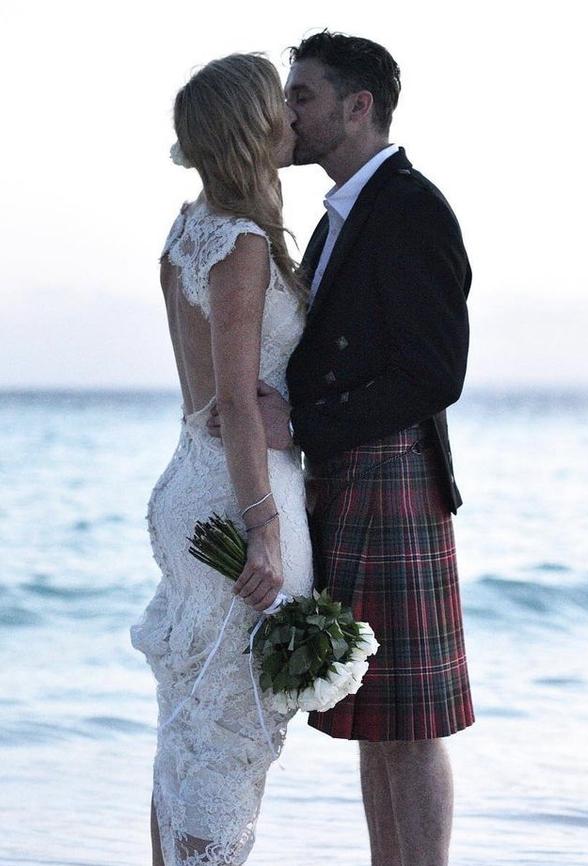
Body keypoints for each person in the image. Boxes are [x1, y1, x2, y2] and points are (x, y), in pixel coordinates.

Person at [210, 31, 475, 866]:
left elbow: (435, 372)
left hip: (393, 474)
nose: (287, 113)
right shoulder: (338, 219)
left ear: (358, 108)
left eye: (303, 97)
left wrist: (301, 428)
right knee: (374, 714)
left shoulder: (410, 208)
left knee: (412, 721)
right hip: (347, 478)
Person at [130, 54, 313, 866]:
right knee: (228, 733)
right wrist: (265, 529)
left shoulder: (186, 230)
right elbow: (238, 402)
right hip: (232, 495)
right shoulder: (238, 243)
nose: (293, 119)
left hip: (189, 481)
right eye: (281, 106)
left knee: (190, 730)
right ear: (254, 127)